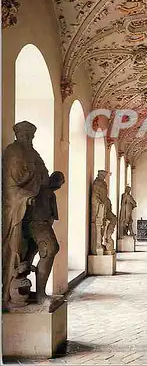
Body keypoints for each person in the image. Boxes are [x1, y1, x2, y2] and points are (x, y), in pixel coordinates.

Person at [2, 121, 50, 308]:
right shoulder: (13, 150)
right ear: (17, 135)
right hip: (18, 207)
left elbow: (44, 176)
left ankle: (39, 292)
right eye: (25, 135)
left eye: (31, 136)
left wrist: (38, 176)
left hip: (36, 211)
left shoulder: (33, 153)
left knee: (46, 249)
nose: (28, 139)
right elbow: (16, 178)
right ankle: (13, 289)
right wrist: (34, 176)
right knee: (17, 248)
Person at [22, 171, 64, 303]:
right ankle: (40, 294)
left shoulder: (48, 193)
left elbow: (51, 217)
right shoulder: (39, 189)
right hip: (36, 224)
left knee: (33, 253)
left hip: (40, 225)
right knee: (50, 249)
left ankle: (31, 290)